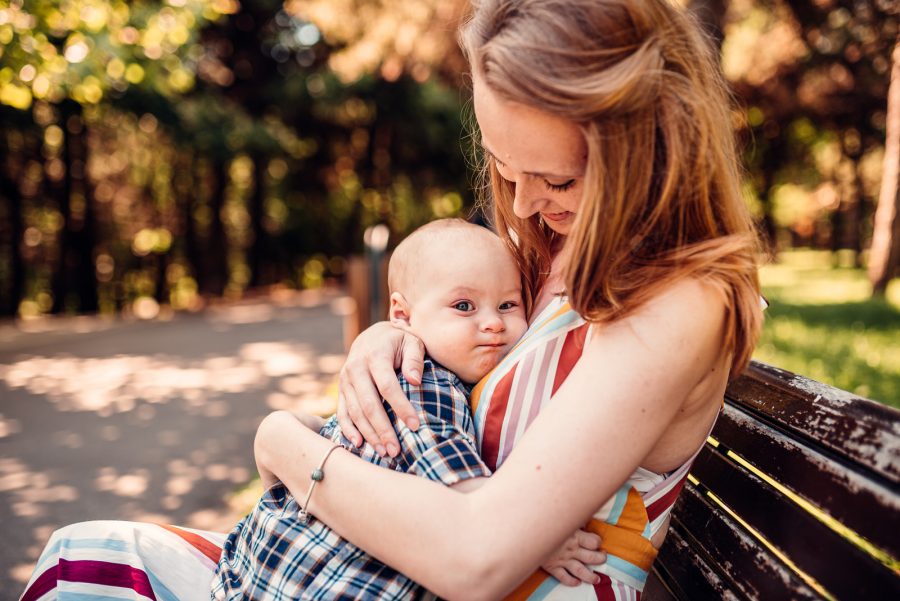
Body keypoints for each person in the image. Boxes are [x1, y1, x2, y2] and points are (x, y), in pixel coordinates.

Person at [21, 0, 763, 599]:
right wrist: (392, 337)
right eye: (505, 171)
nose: (527, 203)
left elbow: (476, 559)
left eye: (559, 179)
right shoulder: (554, 246)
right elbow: (469, 357)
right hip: (389, 571)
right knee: (84, 554)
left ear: (647, 145)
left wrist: (282, 441)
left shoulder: (680, 299)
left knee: (89, 575)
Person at [213, 219, 597, 599]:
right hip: (316, 585)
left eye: (508, 305)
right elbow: (465, 492)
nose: (493, 323)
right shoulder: (423, 382)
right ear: (402, 315)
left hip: (252, 574)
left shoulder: (424, 374)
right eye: (464, 306)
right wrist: (536, 537)